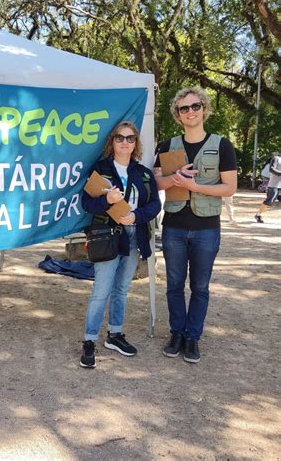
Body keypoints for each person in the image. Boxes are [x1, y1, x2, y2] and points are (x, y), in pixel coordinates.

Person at [154, 87, 237, 363]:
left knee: (200, 286)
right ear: (177, 115)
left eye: (195, 106)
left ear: (204, 109)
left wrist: (194, 185)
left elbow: (229, 188)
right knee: (174, 284)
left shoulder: (222, 145)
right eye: (184, 108)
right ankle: (176, 333)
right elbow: (156, 183)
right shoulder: (167, 146)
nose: (190, 112)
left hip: (206, 229)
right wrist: (175, 178)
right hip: (174, 225)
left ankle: (192, 338)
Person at [80, 121, 161, 368]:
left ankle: (115, 334)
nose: (125, 142)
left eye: (130, 138)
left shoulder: (143, 172)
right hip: (108, 235)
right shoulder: (101, 169)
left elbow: (155, 204)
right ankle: (89, 341)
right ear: (112, 141)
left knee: (121, 289)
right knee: (101, 291)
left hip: (135, 235)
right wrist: (107, 199)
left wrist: (138, 216)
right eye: (119, 138)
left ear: (136, 143)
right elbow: (86, 204)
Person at [254, 152, 281, 223]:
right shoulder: (276, 158)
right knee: (269, 201)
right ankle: (258, 214)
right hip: (274, 185)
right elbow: (271, 169)